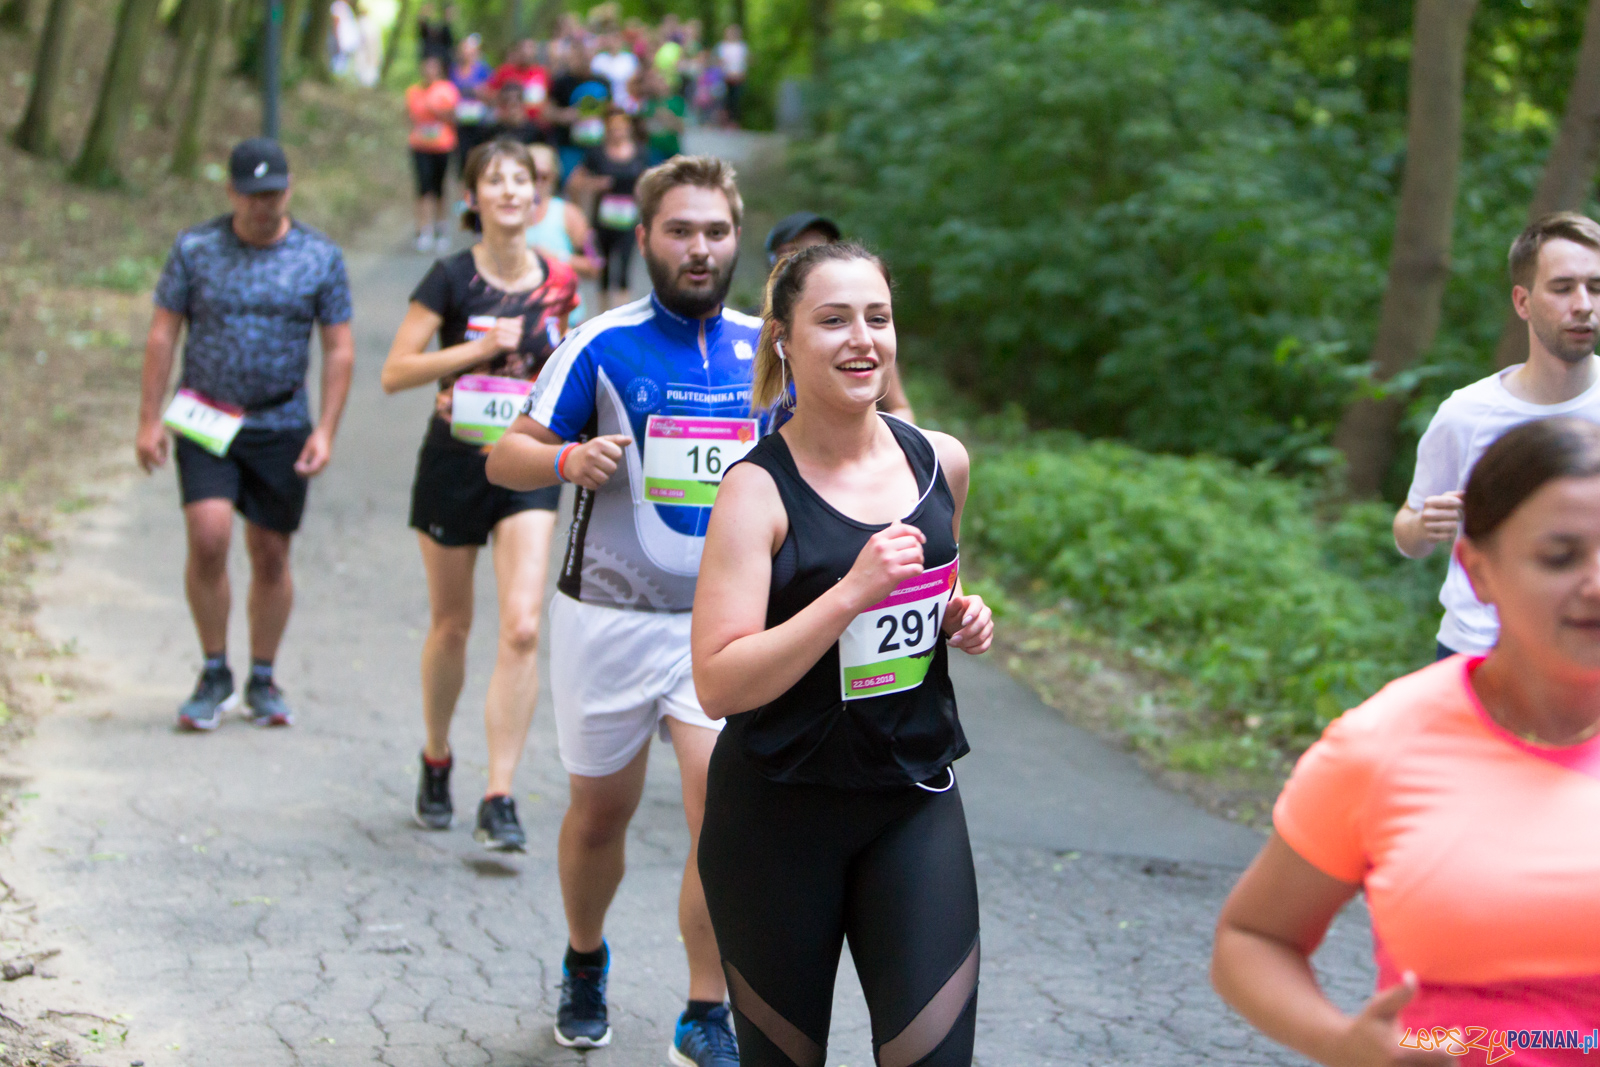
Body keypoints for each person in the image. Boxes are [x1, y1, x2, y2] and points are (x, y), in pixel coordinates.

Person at [1215, 415, 1600, 1067]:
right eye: (1559, 556)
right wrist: (1344, 1043)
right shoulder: (1383, 741)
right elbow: (1250, 938)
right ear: (1478, 570)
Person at [691, 242, 994, 1067]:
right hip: (778, 815)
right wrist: (847, 594)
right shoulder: (756, 489)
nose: (862, 338)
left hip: (911, 797)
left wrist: (958, 618)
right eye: (833, 320)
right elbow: (718, 681)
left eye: (878, 317)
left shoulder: (940, 461)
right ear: (784, 337)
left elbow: (922, 600)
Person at [484, 155, 754, 1064]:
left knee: (726, 810)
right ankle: (586, 957)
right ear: (643, 239)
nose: (699, 247)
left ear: (737, 239)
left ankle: (706, 1005)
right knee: (601, 812)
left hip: (723, 626)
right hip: (607, 615)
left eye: (715, 230)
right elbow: (504, 457)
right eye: (680, 229)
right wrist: (565, 462)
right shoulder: (600, 344)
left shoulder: (772, 353)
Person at [380, 139, 579, 850]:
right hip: (455, 464)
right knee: (453, 625)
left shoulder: (561, 278)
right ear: (472, 199)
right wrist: (473, 352)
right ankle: (437, 756)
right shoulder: (448, 276)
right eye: (492, 181)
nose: (507, 191)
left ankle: (500, 793)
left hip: (525, 466)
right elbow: (395, 372)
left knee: (523, 625)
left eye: (519, 179)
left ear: (536, 196)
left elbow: (569, 369)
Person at [135, 138, 354, 732]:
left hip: (281, 421)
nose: (264, 205)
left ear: (289, 189)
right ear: (231, 192)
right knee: (208, 538)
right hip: (206, 418)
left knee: (271, 552)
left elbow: (338, 349)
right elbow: (163, 334)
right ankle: (213, 669)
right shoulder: (197, 248)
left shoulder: (318, 256)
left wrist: (327, 430)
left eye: (274, 193)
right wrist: (149, 418)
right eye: (252, 194)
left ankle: (262, 673)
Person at [1395, 212, 1600, 658]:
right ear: (1523, 302)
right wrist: (1424, 526)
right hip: (1478, 650)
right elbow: (1407, 533)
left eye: (1595, 287)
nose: (1583, 303)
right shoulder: (1466, 413)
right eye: (1563, 288)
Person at [764, 213, 915, 423]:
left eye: (878, 319)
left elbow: (899, 406)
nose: (863, 340)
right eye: (795, 256)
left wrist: (901, 447)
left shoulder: (870, 339)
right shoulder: (745, 334)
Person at [566, 107, 649, 312]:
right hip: (602, 220)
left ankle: (623, 318)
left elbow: (650, 181)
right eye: (613, 128)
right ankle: (603, 316)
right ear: (606, 130)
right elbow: (574, 183)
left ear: (629, 129)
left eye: (622, 128)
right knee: (602, 270)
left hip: (629, 220)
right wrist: (595, 184)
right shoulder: (596, 154)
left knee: (623, 270)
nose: (617, 132)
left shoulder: (640, 153)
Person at [525, 142, 598, 325]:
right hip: (522, 320)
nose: (536, 183)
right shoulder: (508, 216)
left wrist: (556, 257)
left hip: (565, 322)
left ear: (554, 177)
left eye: (544, 176)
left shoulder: (569, 214)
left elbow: (594, 265)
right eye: (530, 175)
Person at [407, 54, 461, 254]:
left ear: (438, 70)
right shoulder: (413, 91)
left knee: (439, 188)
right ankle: (423, 230)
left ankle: (441, 227)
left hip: (442, 146)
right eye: (426, 67)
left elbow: (454, 117)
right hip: (420, 145)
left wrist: (436, 111)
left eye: (433, 67)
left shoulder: (447, 90)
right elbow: (410, 115)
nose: (429, 71)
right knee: (423, 188)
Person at [546, 39, 611, 181]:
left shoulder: (603, 81)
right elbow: (547, 111)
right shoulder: (562, 82)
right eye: (581, 55)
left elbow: (611, 110)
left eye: (589, 55)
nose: (585, 58)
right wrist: (564, 116)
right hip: (570, 146)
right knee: (570, 183)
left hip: (598, 146)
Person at [450, 34, 494, 177]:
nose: (466, 53)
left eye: (470, 50)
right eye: (464, 49)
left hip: (479, 122)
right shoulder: (453, 70)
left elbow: (491, 93)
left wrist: (480, 92)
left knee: (479, 157)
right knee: (462, 161)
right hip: (460, 122)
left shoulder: (483, 69)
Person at [487, 38, 550, 128]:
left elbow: (547, 99)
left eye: (530, 48)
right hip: (507, 124)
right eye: (522, 48)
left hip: (535, 125)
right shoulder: (504, 71)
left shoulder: (542, 73)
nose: (526, 52)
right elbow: (490, 94)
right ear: (516, 51)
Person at [637, 68, 686, 165]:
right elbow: (644, 128)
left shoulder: (677, 102)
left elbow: (681, 128)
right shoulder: (649, 103)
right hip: (654, 149)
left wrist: (666, 116)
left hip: (672, 148)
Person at [591, 32, 640, 113]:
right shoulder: (598, 60)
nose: (613, 42)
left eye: (615, 39)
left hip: (627, 102)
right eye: (610, 39)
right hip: (605, 102)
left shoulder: (630, 59)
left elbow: (635, 82)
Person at [715, 25, 748, 128]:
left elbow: (744, 63)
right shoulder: (722, 46)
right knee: (725, 100)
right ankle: (724, 122)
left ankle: (734, 122)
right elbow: (719, 62)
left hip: (738, 77)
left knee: (735, 100)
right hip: (725, 77)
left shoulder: (742, 47)